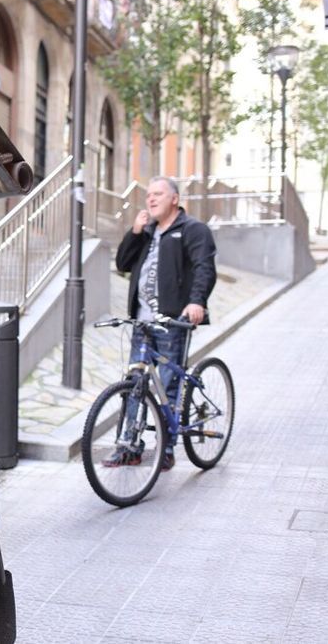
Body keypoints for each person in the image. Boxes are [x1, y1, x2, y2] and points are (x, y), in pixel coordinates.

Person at [107, 176, 217, 471]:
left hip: (173, 321)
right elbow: (122, 264)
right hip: (142, 321)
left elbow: (205, 267)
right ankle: (129, 446)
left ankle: (166, 448)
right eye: (148, 195)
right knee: (134, 385)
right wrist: (135, 231)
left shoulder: (193, 230)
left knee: (168, 385)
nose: (151, 199)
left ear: (174, 199)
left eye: (158, 194)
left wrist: (197, 302)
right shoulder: (147, 232)